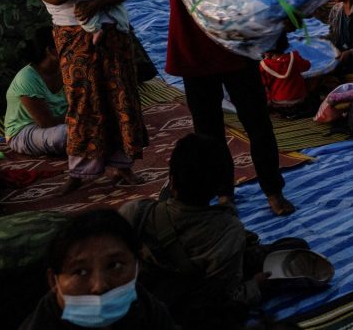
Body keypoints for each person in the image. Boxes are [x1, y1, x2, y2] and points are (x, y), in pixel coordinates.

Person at [156, 0, 294, 216]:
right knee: (209, 132)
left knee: (258, 125)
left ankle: (272, 190)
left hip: (239, 49)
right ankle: (223, 194)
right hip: (196, 51)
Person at [27, 0, 146, 194]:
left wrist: (96, 3)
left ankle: (123, 165)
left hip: (112, 34)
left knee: (120, 96)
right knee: (82, 102)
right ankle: (79, 171)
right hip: (74, 39)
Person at [120, 133, 266, 327]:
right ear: (219, 187)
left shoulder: (135, 212)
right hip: (181, 312)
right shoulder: (229, 231)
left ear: (172, 180)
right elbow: (227, 299)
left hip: (133, 307)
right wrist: (255, 285)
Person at [20, 209, 175, 330]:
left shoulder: (146, 308)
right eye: (80, 272)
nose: (99, 286)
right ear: (53, 281)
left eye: (114, 266)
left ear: (137, 266)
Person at [4, 27, 68, 157]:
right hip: (25, 131)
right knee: (68, 134)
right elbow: (46, 123)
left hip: (63, 123)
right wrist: (80, 119)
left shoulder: (68, 70)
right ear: (51, 51)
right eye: (66, 44)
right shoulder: (27, 77)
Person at [259, 32, 312, 114]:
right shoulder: (294, 56)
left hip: (279, 103)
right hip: (299, 99)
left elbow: (263, 85)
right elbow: (307, 66)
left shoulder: (263, 65)